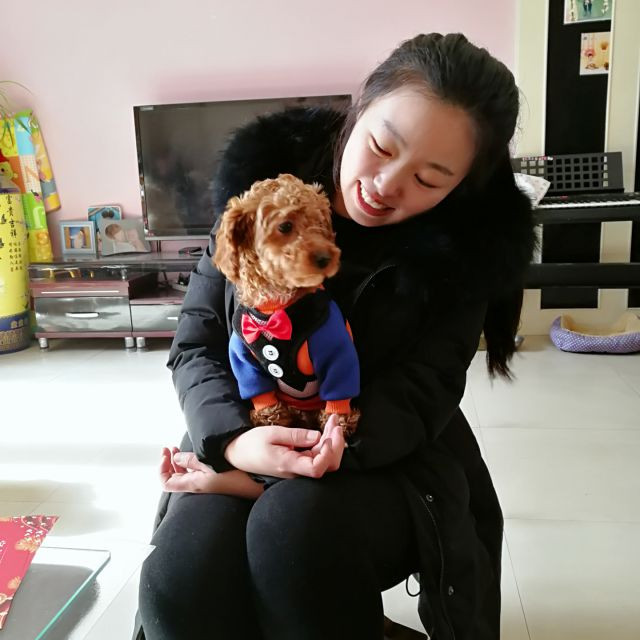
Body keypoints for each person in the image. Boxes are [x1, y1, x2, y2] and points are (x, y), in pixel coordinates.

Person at [136, 32, 536, 640]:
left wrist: (305, 459)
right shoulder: (262, 199)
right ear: (359, 108)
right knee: (182, 579)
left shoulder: (461, 252)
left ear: (461, 187)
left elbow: (424, 387)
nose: (387, 185)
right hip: (247, 427)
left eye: (429, 179)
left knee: (292, 537)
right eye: (381, 146)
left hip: (380, 449)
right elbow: (197, 344)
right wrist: (235, 443)